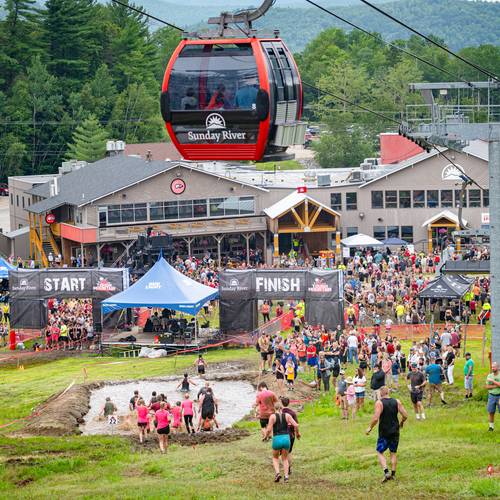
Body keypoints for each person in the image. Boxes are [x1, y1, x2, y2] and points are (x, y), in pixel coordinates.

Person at [366, 386, 408, 483]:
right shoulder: (397, 401)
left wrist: (370, 428)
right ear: (388, 392)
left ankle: (386, 472)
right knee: (393, 453)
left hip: (384, 432)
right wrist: (401, 422)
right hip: (395, 431)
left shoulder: (379, 403)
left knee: (380, 451)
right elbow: (405, 415)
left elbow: (376, 418)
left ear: (381, 393)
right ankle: (393, 475)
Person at [264, 403, 300, 483]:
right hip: (286, 438)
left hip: (277, 438)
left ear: (274, 408)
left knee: (275, 458)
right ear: (281, 408)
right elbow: (296, 425)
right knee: (285, 458)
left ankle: (277, 473)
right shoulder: (287, 415)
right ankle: (286, 477)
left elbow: (269, 429)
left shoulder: (272, 416)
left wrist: (265, 436)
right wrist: (297, 433)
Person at [280, 397, 298, 475]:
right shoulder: (293, 413)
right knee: (289, 452)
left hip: (281, 435)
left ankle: (285, 469)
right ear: (289, 403)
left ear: (281, 403)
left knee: (283, 453)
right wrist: (297, 433)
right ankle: (289, 468)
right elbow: (296, 425)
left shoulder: (279, 413)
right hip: (291, 435)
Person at [485, 361, 500, 431]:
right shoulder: (489, 375)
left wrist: (493, 381)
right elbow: (487, 387)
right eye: (492, 367)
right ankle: (491, 427)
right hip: (491, 396)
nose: (492, 368)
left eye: (494, 367)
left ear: (498, 367)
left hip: (499, 396)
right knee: (491, 412)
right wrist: (496, 385)